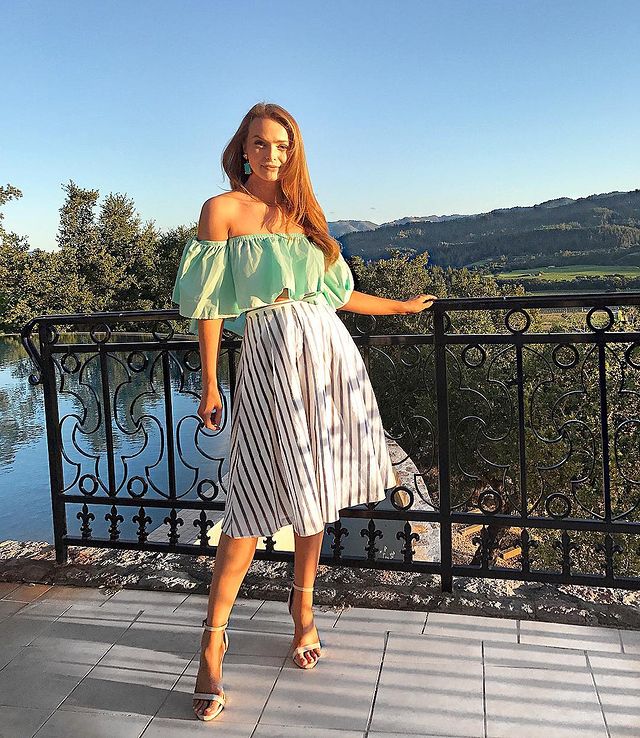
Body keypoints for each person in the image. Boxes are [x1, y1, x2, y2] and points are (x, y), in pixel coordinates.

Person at [171, 101, 437, 721]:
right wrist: (210, 383)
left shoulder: (306, 214)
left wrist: (399, 308)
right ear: (242, 149)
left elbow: (337, 295)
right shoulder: (221, 210)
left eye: (283, 145)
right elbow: (208, 306)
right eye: (261, 143)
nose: (273, 155)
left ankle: (303, 607)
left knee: (314, 488)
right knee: (250, 498)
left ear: (295, 153)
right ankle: (212, 640)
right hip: (268, 357)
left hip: (328, 358)